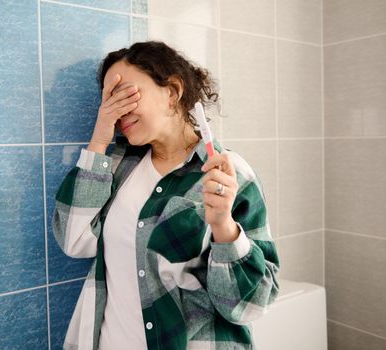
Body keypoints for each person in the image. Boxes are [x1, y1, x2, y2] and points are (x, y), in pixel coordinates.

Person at [52, 41, 280, 350]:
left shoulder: (230, 174)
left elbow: (251, 305)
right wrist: (100, 137)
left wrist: (224, 228)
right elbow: (73, 239)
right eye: (108, 100)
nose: (115, 110)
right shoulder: (117, 167)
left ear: (172, 91)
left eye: (126, 95)